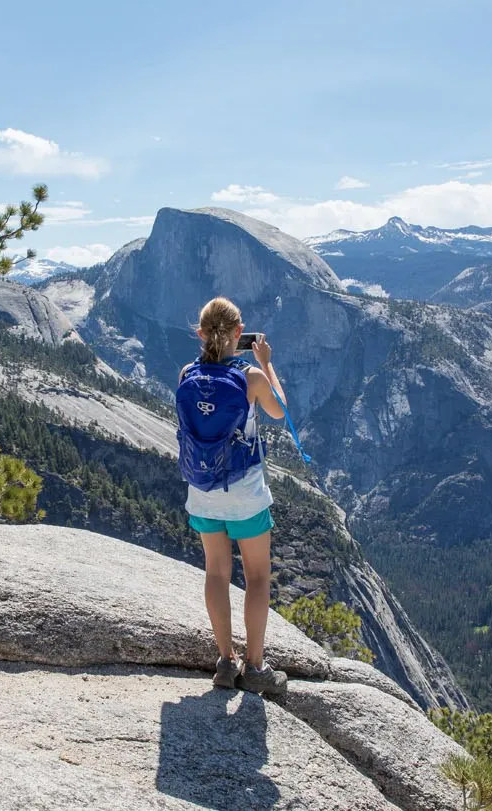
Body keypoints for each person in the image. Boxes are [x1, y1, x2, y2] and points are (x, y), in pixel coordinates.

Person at [178, 296, 288, 695]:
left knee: (216, 572)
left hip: (202, 488)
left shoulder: (187, 372)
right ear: (240, 334)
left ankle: (225, 661)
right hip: (243, 490)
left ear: (200, 333)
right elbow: (280, 412)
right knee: (257, 577)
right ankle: (255, 667)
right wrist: (267, 363)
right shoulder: (251, 377)